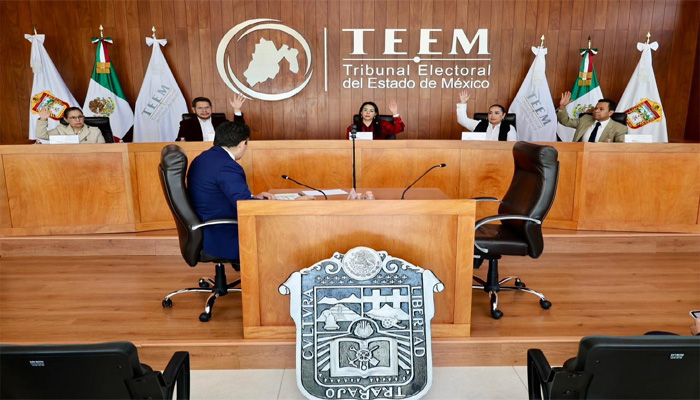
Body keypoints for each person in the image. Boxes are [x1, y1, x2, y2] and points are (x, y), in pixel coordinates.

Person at [187, 122, 312, 260]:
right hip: (224, 233)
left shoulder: (204, 158)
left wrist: (254, 197)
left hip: (209, 227)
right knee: (285, 229)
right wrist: (294, 203)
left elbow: (224, 195)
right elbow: (246, 205)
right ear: (242, 144)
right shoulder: (227, 166)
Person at [556, 92, 627, 142]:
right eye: (596, 108)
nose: (596, 111)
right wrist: (562, 106)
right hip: (579, 153)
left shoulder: (619, 128)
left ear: (610, 113)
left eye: (601, 109)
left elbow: (620, 148)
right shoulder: (585, 119)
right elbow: (565, 121)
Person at [177, 94, 246, 142]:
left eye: (207, 107)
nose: (204, 111)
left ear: (211, 108)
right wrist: (182, 141)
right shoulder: (186, 124)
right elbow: (179, 140)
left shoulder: (221, 121)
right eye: (200, 108)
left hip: (219, 152)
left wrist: (236, 109)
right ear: (193, 110)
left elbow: (239, 130)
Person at [35, 107, 105, 143]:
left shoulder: (95, 131)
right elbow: (41, 135)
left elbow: (103, 150)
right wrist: (43, 119)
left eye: (80, 117)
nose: (78, 120)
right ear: (66, 120)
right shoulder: (61, 130)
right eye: (73, 118)